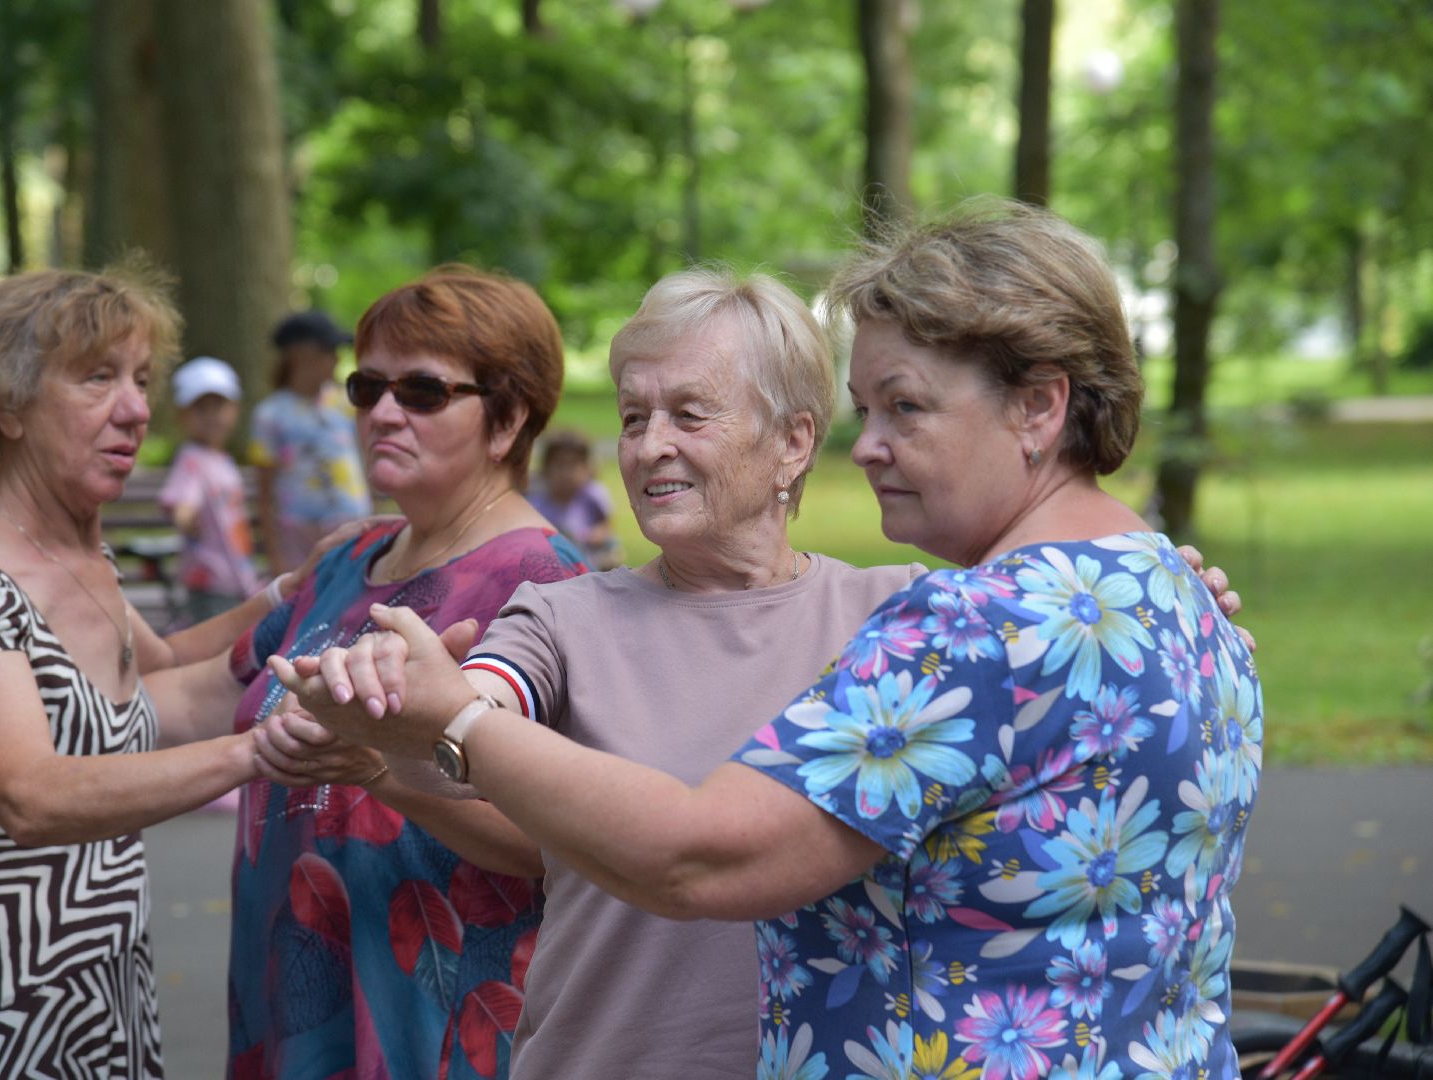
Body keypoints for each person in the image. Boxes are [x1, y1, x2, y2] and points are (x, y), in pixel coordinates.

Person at [276, 205, 1261, 1080]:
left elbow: (700, 860)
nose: (865, 445)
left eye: (905, 405)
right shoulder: (1176, 599)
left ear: (1040, 405)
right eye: (866, 409)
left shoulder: (963, 626)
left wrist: (455, 722)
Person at [0, 268, 328, 1078]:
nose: (136, 409)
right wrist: (257, 753)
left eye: (140, 379)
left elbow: (168, 685)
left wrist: (307, 592)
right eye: (98, 377)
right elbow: (30, 795)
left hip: (98, 1018)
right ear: (7, 405)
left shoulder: (82, 560)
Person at [145, 266, 588, 1079]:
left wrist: (383, 769)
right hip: (291, 1002)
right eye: (366, 386)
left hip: (433, 1029)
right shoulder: (348, 561)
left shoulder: (547, 587)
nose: (382, 412)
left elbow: (560, 840)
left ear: (508, 418)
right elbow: (188, 696)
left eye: (421, 391)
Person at [250, 309, 375, 575]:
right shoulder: (270, 415)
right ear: (299, 355)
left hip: (353, 531)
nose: (336, 359)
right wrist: (275, 558)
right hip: (300, 541)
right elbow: (264, 494)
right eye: (328, 351)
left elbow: (365, 463)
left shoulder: (346, 404)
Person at [161, 355, 260, 623]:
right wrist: (184, 515)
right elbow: (184, 501)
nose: (212, 416)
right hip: (209, 580)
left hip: (236, 577)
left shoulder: (223, 461)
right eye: (201, 408)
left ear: (235, 410)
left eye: (219, 406)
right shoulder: (191, 460)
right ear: (182, 415)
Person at [525, 430, 622, 569]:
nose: (566, 473)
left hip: (587, 558)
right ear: (546, 468)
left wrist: (596, 535)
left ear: (587, 468)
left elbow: (606, 524)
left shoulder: (591, 494)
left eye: (573, 465)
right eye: (560, 465)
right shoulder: (537, 501)